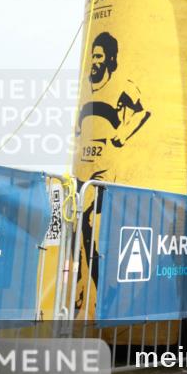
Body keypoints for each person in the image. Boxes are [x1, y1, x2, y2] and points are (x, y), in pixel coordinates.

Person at [73, 31, 151, 311]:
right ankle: (93, 287)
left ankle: (97, 289)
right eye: (92, 56)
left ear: (109, 59)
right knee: (81, 228)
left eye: (99, 56)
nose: (94, 61)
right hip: (84, 168)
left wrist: (122, 134)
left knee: (88, 222)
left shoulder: (122, 86)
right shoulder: (87, 87)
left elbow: (141, 112)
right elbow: (80, 125)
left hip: (106, 171)